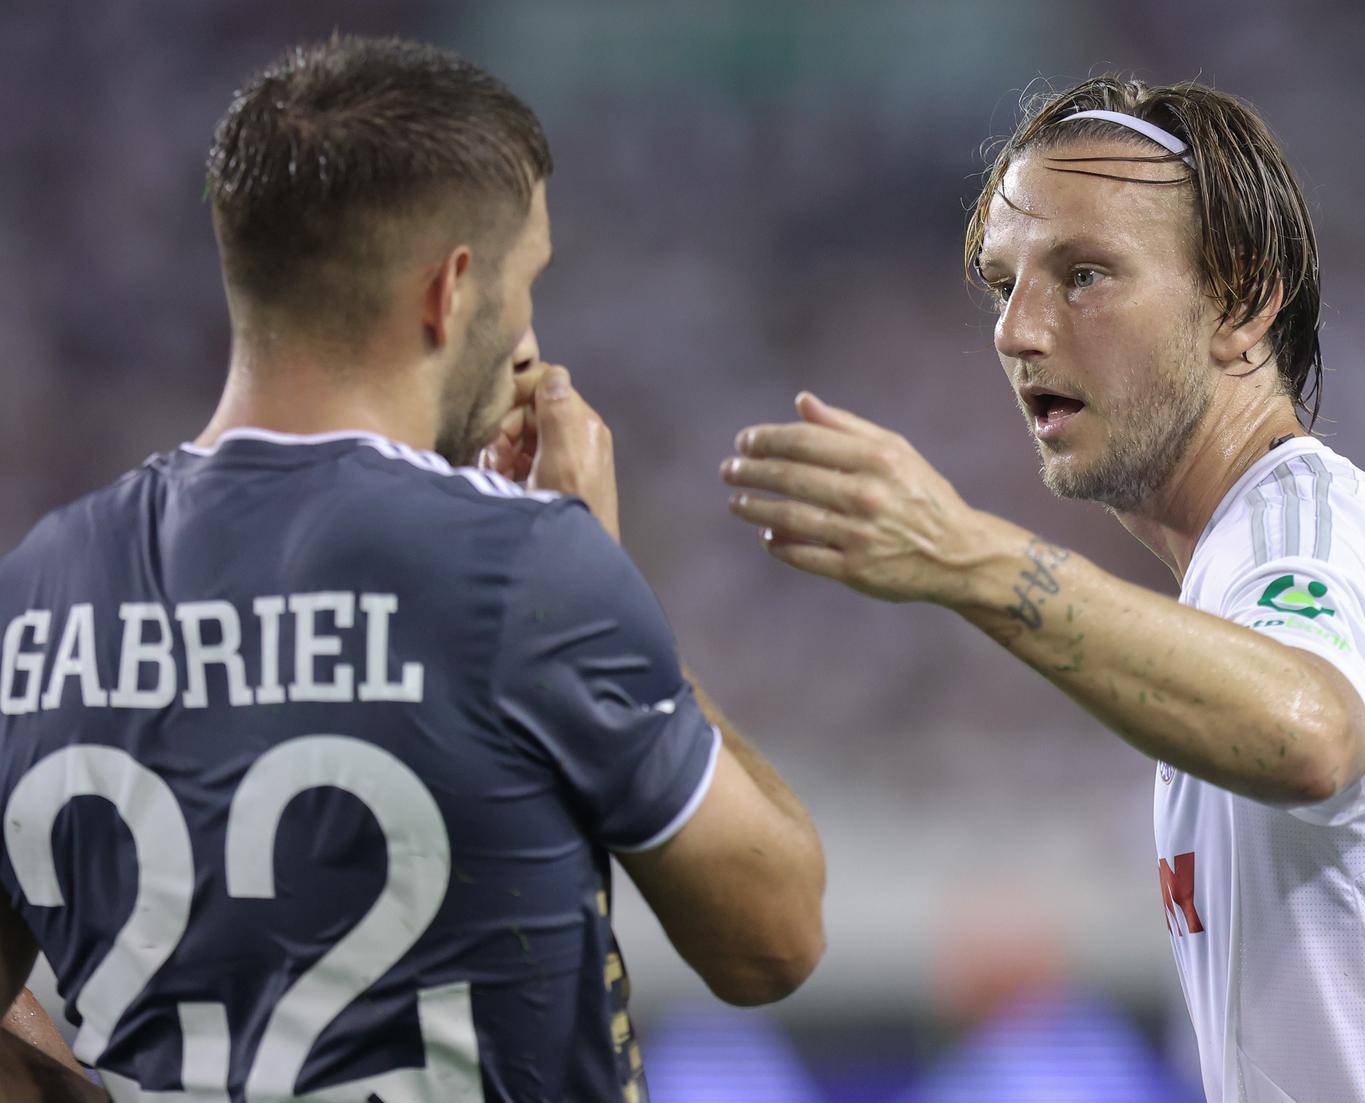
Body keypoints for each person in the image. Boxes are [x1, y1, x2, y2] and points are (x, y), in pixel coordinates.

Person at [0, 34, 824, 1103]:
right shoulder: (524, 570)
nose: (528, 337)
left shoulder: (32, 593)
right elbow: (773, 939)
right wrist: (606, 578)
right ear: (450, 291)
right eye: (528, 283)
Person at [722, 75, 1365, 1102]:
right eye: (1004, 284)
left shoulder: (1309, 531)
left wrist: (968, 555)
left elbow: (1310, 731)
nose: (1016, 330)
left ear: (1242, 301)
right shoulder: (1230, 579)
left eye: (1083, 274)